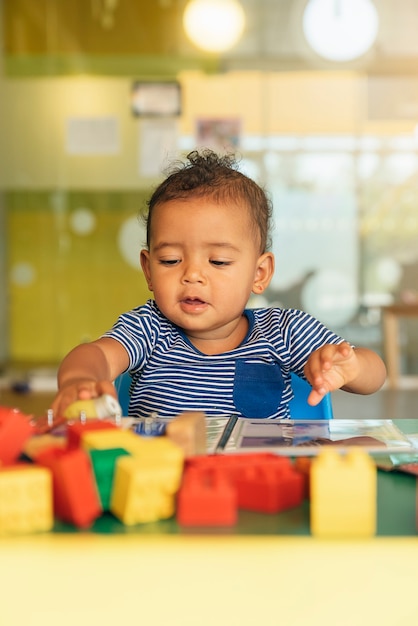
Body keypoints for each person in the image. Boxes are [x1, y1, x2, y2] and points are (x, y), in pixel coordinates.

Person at [51, 150, 386, 420]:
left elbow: (375, 374)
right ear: (149, 269)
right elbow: (94, 355)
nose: (193, 275)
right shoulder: (147, 329)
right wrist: (78, 380)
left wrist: (351, 366)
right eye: (170, 261)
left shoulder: (284, 331)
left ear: (259, 273)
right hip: (168, 485)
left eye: (219, 262)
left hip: (260, 484)